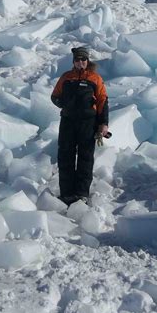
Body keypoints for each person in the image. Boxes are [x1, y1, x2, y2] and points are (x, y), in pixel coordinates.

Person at [51, 46, 109, 205]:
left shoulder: (95, 78)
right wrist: (63, 103)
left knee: (85, 157)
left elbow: (103, 100)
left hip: (87, 123)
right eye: (77, 59)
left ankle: (82, 193)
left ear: (87, 60)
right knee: (65, 156)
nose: (80, 62)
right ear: (73, 61)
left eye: (83, 59)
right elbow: (55, 96)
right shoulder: (66, 77)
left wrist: (103, 123)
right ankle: (66, 193)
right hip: (68, 122)